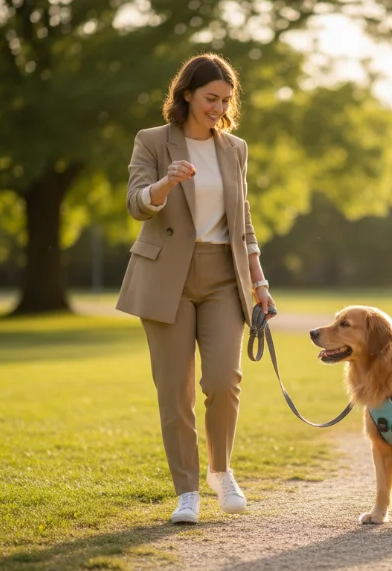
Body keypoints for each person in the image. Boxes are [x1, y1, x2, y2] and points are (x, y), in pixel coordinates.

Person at [115, 54, 276, 524]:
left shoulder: (235, 149)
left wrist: (260, 283)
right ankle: (186, 491)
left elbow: (242, 221)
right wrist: (166, 182)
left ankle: (220, 471)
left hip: (225, 276)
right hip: (167, 277)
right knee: (175, 391)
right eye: (210, 98)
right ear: (186, 94)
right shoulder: (151, 141)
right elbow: (136, 204)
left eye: (226, 100)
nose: (218, 108)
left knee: (224, 382)